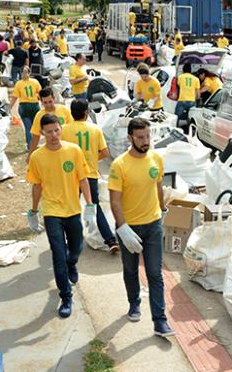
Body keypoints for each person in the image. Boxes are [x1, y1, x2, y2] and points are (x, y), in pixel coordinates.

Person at [108, 117, 174, 337]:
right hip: (130, 227)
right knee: (130, 269)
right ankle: (134, 303)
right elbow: (115, 200)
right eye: (140, 137)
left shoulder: (156, 158)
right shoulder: (120, 165)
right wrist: (123, 227)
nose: (146, 141)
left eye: (148, 136)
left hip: (153, 224)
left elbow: (158, 187)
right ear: (130, 138)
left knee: (155, 273)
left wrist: (163, 211)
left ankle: (160, 321)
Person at [27, 114, 95, 318]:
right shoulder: (37, 157)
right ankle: (66, 296)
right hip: (51, 211)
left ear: (60, 128)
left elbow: (83, 179)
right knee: (58, 254)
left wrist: (90, 205)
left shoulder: (73, 151)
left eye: (56, 130)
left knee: (76, 248)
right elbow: (36, 185)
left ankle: (72, 262)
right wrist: (34, 210)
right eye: (49, 132)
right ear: (43, 133)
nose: (54, 135)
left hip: (72, 209)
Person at [62, 100, 119, 254]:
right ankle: (110, 240)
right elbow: (105, 152)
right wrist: (92, 159)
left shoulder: (64, 130)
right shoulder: (95, 129)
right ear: (86, 113)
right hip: (90, 173)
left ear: (71, 113)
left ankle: (70, 239)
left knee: (71, 207)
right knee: (95, 205)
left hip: (71, 175)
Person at [28, 88, 74, 160]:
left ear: (54, 98)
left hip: (66, 149)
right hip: (51, 150)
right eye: (45, 103)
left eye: (50, 101)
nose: (48, 105)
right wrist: (30, 155)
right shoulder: (39, 115)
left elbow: (72, 130)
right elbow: (35, 137)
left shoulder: (64, 110)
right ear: (41, 102)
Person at [10, 66, 43, 148]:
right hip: (35, 105)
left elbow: (14, 97)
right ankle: (36, 144)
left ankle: (30, 145)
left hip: (24, 106)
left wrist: (9, 107)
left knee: (28, 128)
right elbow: (41, 94)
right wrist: (43, 103)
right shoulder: (35, 81)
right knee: (35, 127)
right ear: (30, 73)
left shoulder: (19, 83)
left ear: (20, 74)